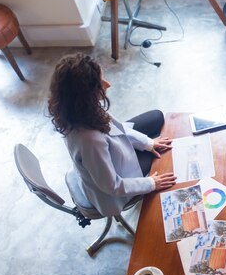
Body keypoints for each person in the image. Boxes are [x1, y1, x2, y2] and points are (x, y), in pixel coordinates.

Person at [47, 53, 176, 217]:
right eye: (101, 83)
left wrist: (148, 143)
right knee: (163, 159)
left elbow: (118, 128)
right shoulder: (90, 141)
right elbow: (112, 186)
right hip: (114, 186)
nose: (108, 84)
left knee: (156, 116)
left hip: (114, 153)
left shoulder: (76, 109)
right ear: (86, 94)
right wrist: (151, 183)